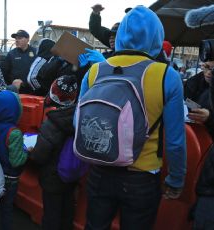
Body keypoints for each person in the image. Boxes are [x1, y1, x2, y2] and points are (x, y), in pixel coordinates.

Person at [78, 6, 186, 229]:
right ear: (157, 36)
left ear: (120, 36)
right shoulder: (167, 75)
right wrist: (176, 179)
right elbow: (175, 141)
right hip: (142, 177)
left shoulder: (95, 70)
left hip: (99, 170)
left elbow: (78, 121)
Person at [29, 75, 79, 230]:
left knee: (52, 214)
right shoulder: (79, 117)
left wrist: (31, 151)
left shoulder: (51, 123)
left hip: (52, 178)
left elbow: (39, 156)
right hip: (72, 174)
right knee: (67, 210)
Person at [0, 90, 28, 230]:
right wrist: (27, 151)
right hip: (9, 178)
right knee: (7, 209)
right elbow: (17, 161)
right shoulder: (14, 132)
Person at [184, 61, 214, 136]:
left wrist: (209, 118)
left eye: (213, 69)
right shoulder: (192, 83)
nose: (209, 72)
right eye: (207, 67)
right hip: (192, 133)